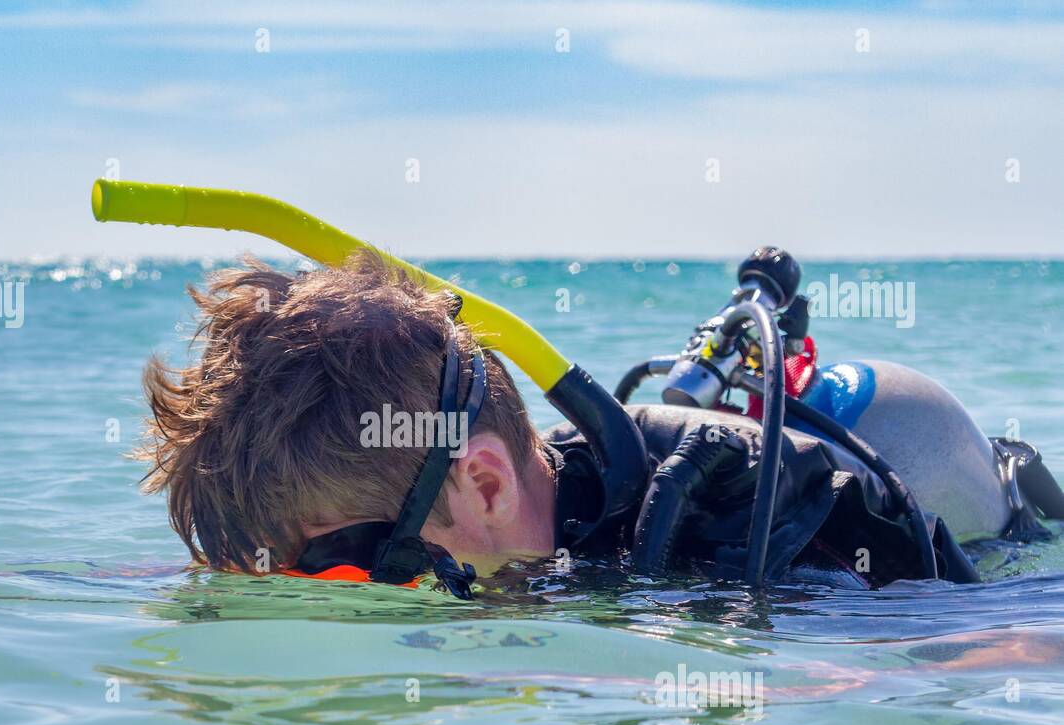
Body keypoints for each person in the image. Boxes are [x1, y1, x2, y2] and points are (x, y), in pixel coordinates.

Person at [134, 251, 1054, 594]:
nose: (336, 595)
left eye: (338, 568)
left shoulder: (773, 535)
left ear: (484, 483)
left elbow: (995, 660)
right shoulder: (500, 544)